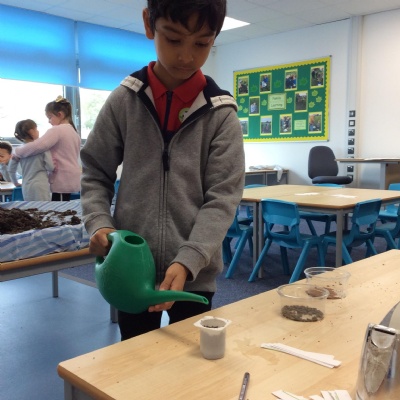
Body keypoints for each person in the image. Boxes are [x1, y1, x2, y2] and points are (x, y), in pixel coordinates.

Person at [80, 0, 245, 341]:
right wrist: (99, 222)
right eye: (173, 39)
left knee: (192, 360)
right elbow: (95, 172)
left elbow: (223, 198)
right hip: (129, 268)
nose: (186, 56)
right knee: (135, 357)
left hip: (194, 274)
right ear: (148, 24)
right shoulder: (123, 101)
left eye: (202, 43)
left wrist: (189, 259)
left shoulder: (221, 114)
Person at [13, 96, 81, 201]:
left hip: (62, 178)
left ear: (60, 115)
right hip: (70, 176)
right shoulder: (73, 132)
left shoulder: (57, 130)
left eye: (50, 117)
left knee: (58, 207)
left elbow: (37, 146)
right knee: (62, 205)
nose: (49, 121)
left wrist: (17, 152)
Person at [8, 119, 54, 201]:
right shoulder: (43, 148)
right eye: (36, 129)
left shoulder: (18, 151)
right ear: (31, 131)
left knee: (30, 207)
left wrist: (15, 183)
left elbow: (11, 169)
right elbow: (50, 167)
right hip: (41, 184)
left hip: (26, 186)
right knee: (44, 207)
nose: (38, 131)